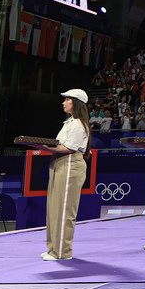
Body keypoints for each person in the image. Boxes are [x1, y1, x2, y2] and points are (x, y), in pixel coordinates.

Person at [42, 88, 91, 261]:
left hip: (70, 164)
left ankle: (62, 251)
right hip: (60, 163)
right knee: (54, 207)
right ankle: (53, 247)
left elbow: (69, 148)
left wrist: (43, 147)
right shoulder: (69, 122)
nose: (63, 102)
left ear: (75, 103)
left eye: (67, 99)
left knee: (64, 209)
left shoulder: (78, 124)